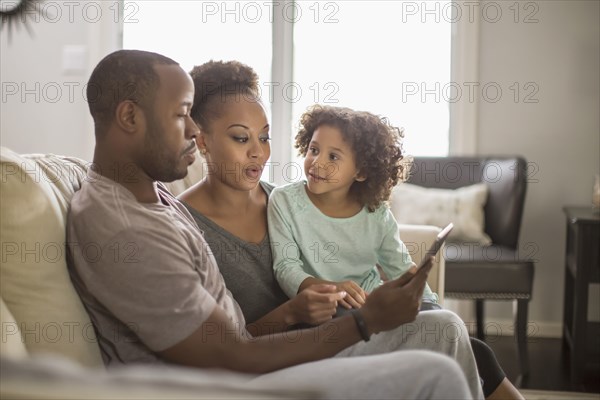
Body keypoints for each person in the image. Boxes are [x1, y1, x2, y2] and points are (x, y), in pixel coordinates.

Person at [67, 49, 476, 400]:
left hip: (258, 362)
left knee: (443, 328)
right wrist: (366, 322)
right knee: (437, 368)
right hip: (228, 386)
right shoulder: (123, 230)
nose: (194, 131)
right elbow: (229, 356)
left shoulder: (152, 198)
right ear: (129, 117)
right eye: (182, 116)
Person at [178, 60, 523, 400]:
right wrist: (291, 312)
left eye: (265, 137)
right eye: (241, 138)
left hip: (336, 334)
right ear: (202, 141)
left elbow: (351, 226)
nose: (259, 152)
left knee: (450, 331)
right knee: (449, 335)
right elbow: (220, 348)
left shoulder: (279, 198)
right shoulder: (185, 227)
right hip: (282, 361)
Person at [267, 104, 438, 311]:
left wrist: (430, 306)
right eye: (314, 150)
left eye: (333, 157)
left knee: (447, 322)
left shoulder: (377, 214)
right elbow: (286, 269)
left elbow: (401, 269)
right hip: (321, 313)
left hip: (371, 306)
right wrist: (334, 290)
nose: (317, 162)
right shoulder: (284, 201)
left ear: (361, 172)